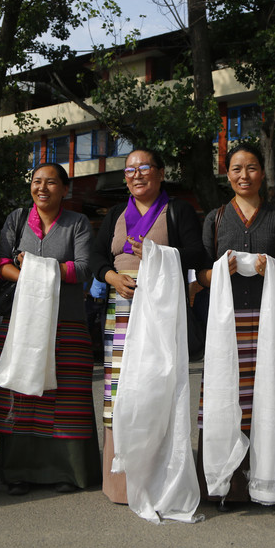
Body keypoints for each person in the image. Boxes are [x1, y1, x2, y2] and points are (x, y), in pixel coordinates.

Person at [90, 148, 203, 503]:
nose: (136, 175)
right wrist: (111, 276)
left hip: (160, 304)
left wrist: (154, 254)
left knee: (157, 383)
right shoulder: (114, 214)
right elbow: (95, 256)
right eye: (130, 170)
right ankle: (120, 484)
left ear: (160, 172)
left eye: (144, 168)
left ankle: (159, 479)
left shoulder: (179, 210)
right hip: (120, 303)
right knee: (119, 387)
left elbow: (198, 254)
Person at [195, 142, 275, 511]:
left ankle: (274, 486)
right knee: (227, 400)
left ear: (262, 173)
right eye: (237, 168)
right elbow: (199, 272)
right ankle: (228, 487)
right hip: (226, 324)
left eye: (252, 168)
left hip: (269, 323)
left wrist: (270, 270)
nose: (245, 175)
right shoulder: (216, 218)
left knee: (269, 401)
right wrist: (215, 273)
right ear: (227, 175)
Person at [0, 163, 101, 496]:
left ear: (65, 189)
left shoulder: (77, 223)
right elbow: (0, 264)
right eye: (36, 181)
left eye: (51, 182)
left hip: (66, 322)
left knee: (66, 398)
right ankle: (19, 472)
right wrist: (31, 278)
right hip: (20, 321)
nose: (42, 188)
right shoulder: (17, 219)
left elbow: (82, 269)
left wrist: (36, 269)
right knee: (20, 394)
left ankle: (69, 471)